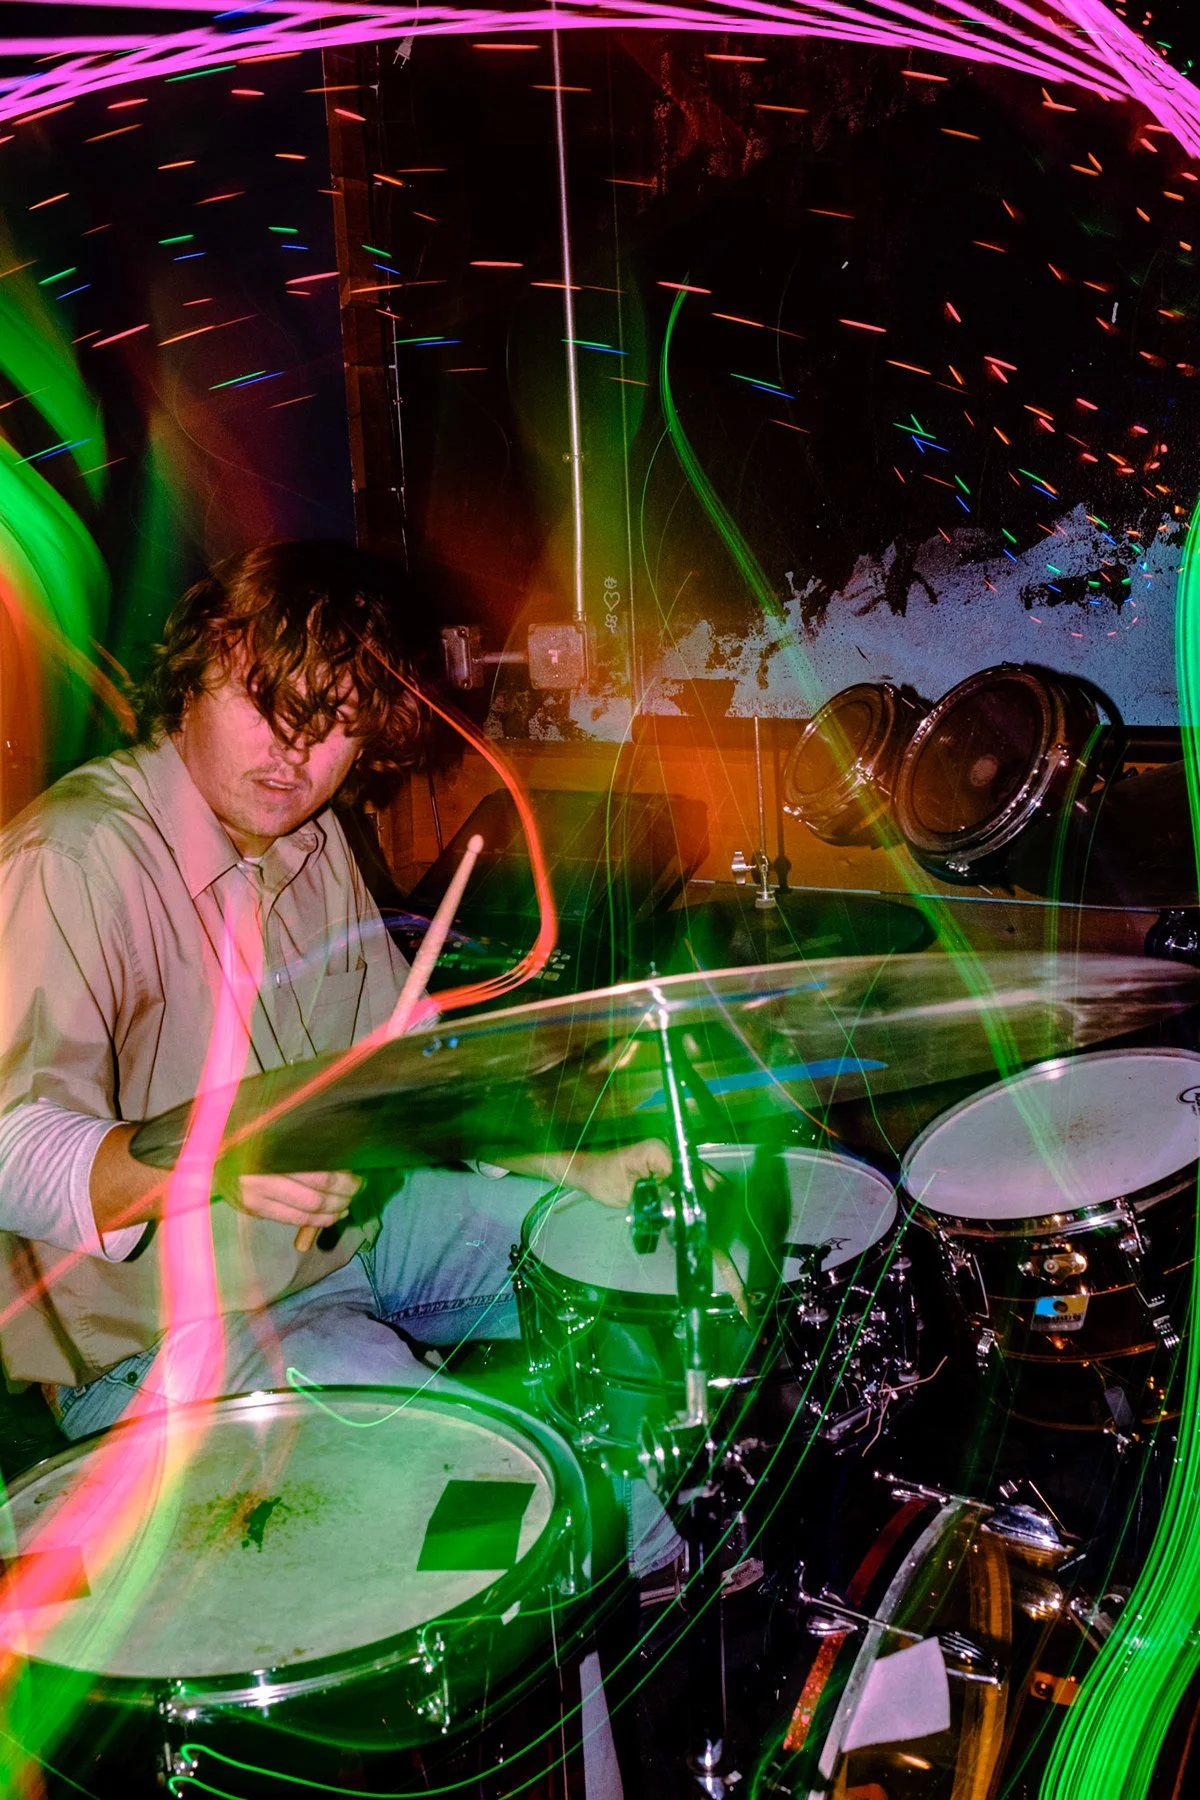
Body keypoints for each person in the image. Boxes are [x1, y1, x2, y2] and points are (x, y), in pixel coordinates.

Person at [0, 539, 670, 1441]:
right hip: (163, 1339)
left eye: (338, 720)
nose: (297, 752)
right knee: (455, 1457)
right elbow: (12, 1155)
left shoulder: (312, 842)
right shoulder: (71, 860)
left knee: (640, 1250)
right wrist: (220, 1149)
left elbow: (403, 1075)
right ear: (195, 675)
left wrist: (573, 1160)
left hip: (353, 1241)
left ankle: (668, 1552)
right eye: (266, 703)